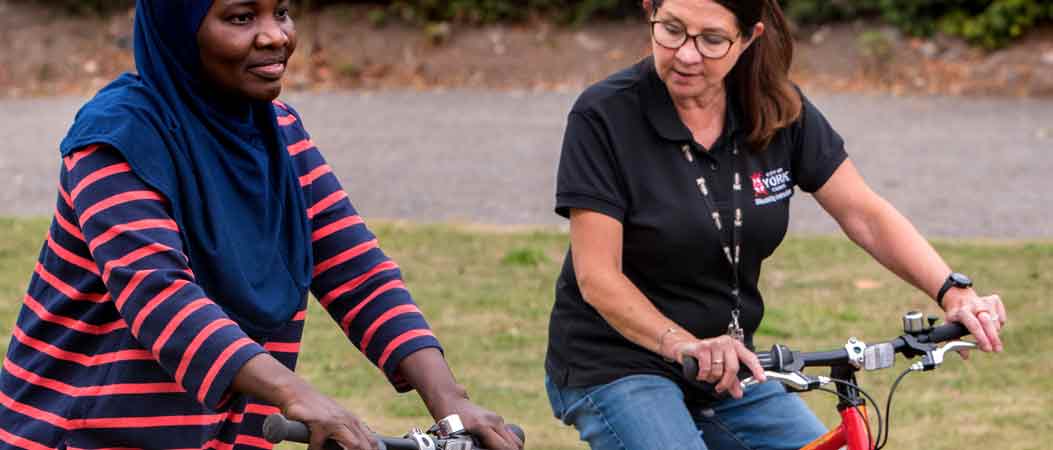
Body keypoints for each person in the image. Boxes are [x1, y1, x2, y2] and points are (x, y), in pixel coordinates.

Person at [0, 1, 524, 449]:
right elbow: (159, 299)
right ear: (181, 30)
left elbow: (359, 274)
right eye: (241, 16)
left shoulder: (280, 136)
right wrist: (297, 394)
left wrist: (453, 406)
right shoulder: (114, 141)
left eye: (282, 12)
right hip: (79, 435)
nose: (274, 35)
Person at [543, 1, 1007, 449]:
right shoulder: (604, 115)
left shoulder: (775, 108)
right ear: (650, 11)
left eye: (711, 39)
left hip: (730, 367)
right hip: (616, 363)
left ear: (748, 38)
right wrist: (685, 345)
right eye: (672, 30)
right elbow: (598, 276)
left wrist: (953, 292)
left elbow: (863, 212)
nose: (686, 53)